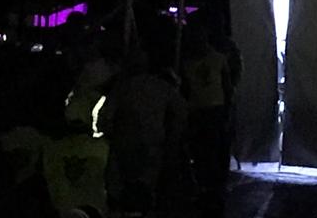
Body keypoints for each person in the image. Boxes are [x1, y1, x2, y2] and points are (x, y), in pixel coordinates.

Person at [97, 49, 185, 214]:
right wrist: (172, 137)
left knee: (120, 193)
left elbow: (105, 118)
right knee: (145, 191)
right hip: (151, 146)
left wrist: (110, 136)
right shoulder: (160, 87)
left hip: (124, 146)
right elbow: (181, 112)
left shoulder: (122, 88)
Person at [181, 24, 232, 216]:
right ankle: (207, 189)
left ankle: (212, 189)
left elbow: (227, 88)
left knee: (212, 150)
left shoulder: (218, 59)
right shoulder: (188, 62)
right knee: (202, 151)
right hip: (198, 110)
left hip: (213, 110)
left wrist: (227, 112)